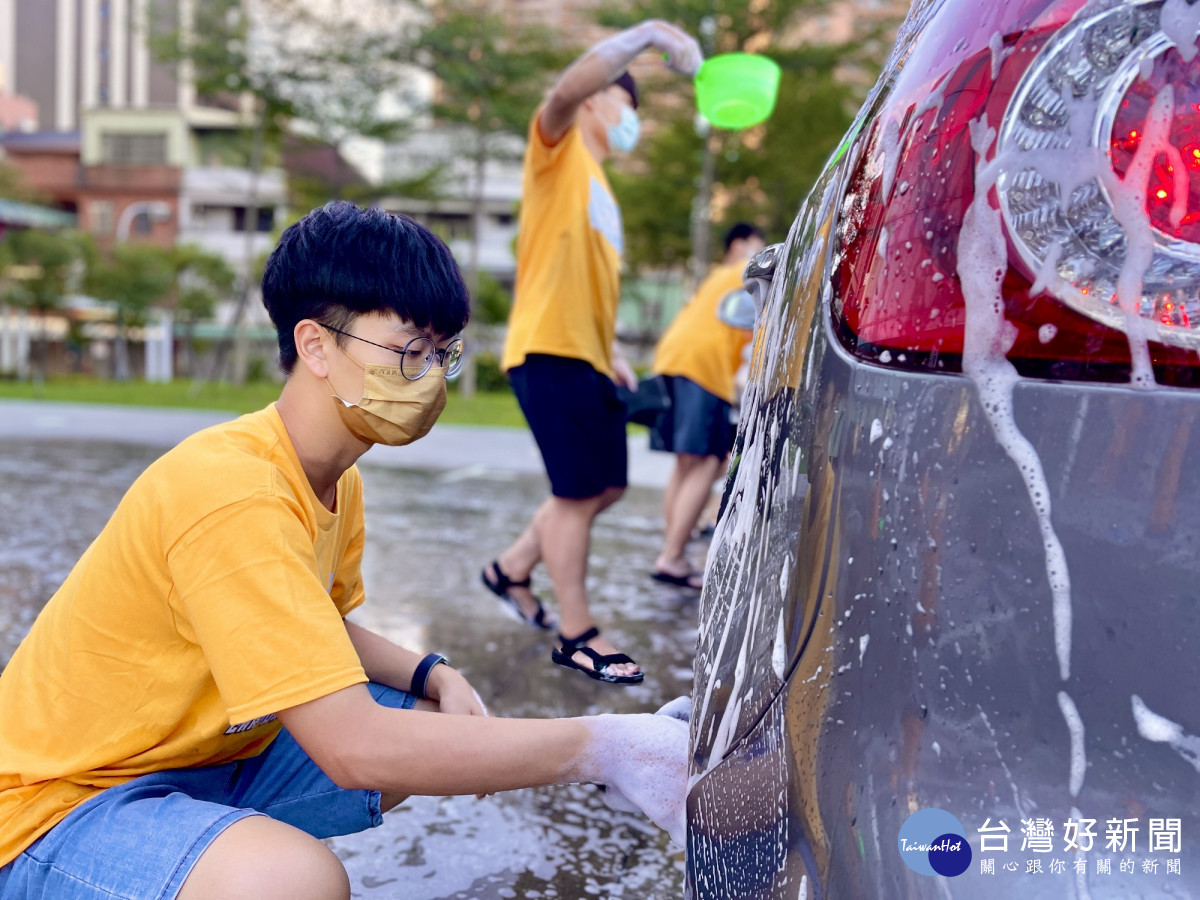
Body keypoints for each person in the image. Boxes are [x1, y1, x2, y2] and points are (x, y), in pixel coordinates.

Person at [0, 202, 689, 900]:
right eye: (407, 351)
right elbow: (353, 746)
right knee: (292, 881)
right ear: (316, 345)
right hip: (58, 805)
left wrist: (433, 675)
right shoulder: (233, 489)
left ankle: (195, 853)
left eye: (441, 354)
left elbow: (313, 625)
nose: (428, 378)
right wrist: (606, 748)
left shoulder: (333, 478)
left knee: (426, 725)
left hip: (198, 761)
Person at [480, 21, 703, 686]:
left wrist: (610, 353)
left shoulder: (603, 189)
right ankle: (577, 634)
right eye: (629, 105)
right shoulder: (557, 153)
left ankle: (512, 567)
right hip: (546, 351)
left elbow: (590, 287)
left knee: (605, 486)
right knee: (576, 494)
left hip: (586, 356)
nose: (631, 121)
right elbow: (560, 92)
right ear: (598, 100)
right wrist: (648, 35)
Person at [647, 222, 767, 590]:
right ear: (739, 246)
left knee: (688, 463)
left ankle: (674, 551)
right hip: (702, 366)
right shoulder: (744, 270)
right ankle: (671, 557)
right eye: (756, 246)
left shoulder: (718, 277)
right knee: (708, 460)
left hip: (675, 360)